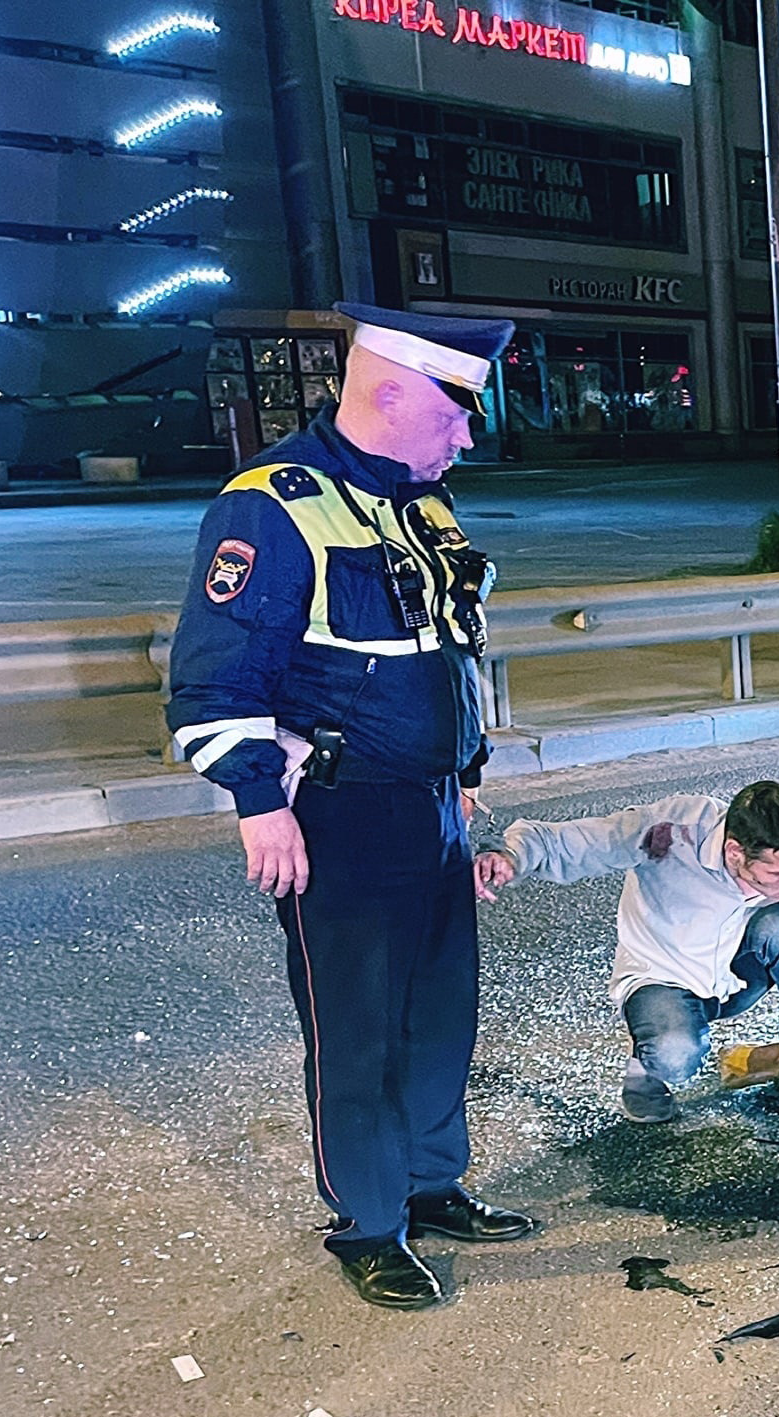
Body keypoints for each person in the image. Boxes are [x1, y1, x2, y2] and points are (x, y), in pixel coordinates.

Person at [165, 303, 540, 1313]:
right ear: (391, 392)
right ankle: (370, 1223)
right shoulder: (272, 508)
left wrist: (467, 775)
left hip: (431, 810)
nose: (469, 433)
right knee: (358, 1031)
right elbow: (212, 684)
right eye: (457, 411)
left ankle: (432, 1184)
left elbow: (450, 658)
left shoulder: (424, 506)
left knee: (439, 1016)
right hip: (339, 818)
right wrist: (258, 804)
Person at [473, 780, 779, 1140]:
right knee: (677, 1056)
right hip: (663, 977)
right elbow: (569, 840)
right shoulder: (670, 828)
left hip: (734, 976)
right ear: (735, 852)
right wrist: (509, 855)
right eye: (776, 875)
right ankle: (646, 1062)